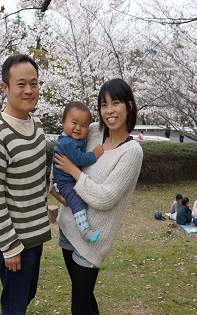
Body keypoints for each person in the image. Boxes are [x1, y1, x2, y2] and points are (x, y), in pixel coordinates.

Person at [51, 78, 143, 314]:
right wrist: (54, 186)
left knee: (79, 308)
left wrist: (73, 171)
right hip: (67, 226)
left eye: (116, 103)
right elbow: (62, 148)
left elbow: (106, 198)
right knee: (85, 299)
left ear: (129, 106)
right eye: (103, 104)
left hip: (92, 242)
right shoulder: (92, 132)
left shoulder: (132, 151)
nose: (109, 111)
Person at [0, 54, 52, 315]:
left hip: (35, 235)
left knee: (26, 296)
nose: (29, 90)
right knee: (14, 307)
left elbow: (37, 177)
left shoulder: (37, 126)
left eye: (34, 83)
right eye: (21, 84)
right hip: (14, 241)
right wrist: (10, 247)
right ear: (5, 87)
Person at [52, 101, 104, 242]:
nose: (78, 128)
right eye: (74, 123)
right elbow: (79, 159)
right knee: (77, 202)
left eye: (83, 125)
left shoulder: (70, 139)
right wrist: (94, 154)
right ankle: (85, 231)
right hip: (64, 183)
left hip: (65, 180)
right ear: (63, 122)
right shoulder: (68, 143)